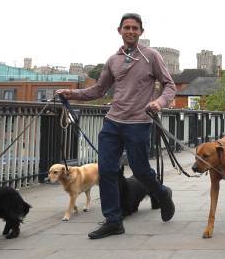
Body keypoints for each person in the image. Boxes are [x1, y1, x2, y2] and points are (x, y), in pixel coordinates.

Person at [56, 13, 176, 239]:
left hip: (139, 123)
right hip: (112, 123)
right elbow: (98, 90)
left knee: (140, 170)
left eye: (135, 28)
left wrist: (159, 103)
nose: (130, 31)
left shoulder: (151, 56)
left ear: (141, 32)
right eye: (126, 27)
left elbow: (170, 86)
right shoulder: (113, 60)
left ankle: (162, 194)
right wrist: (71, 94)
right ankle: (113, 220)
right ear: (119, 30)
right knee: (107, 171)